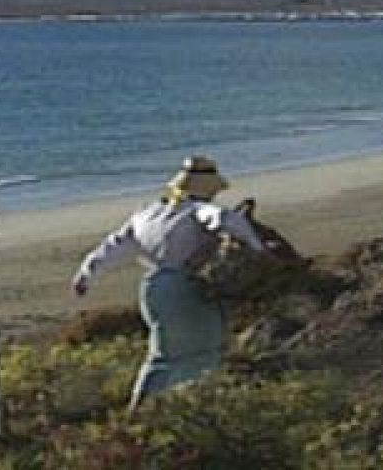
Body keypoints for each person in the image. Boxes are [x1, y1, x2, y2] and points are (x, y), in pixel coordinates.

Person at [71, 155, 264, 410]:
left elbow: (114, 246)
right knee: (202, 354)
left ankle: (144, 410)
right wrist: (256, 247)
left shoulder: (147, 214)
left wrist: (86, 274)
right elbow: (224, 220)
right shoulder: (198, 211)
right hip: (188, 290)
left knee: (163, 355)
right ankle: (184, 412)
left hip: (153, 289)